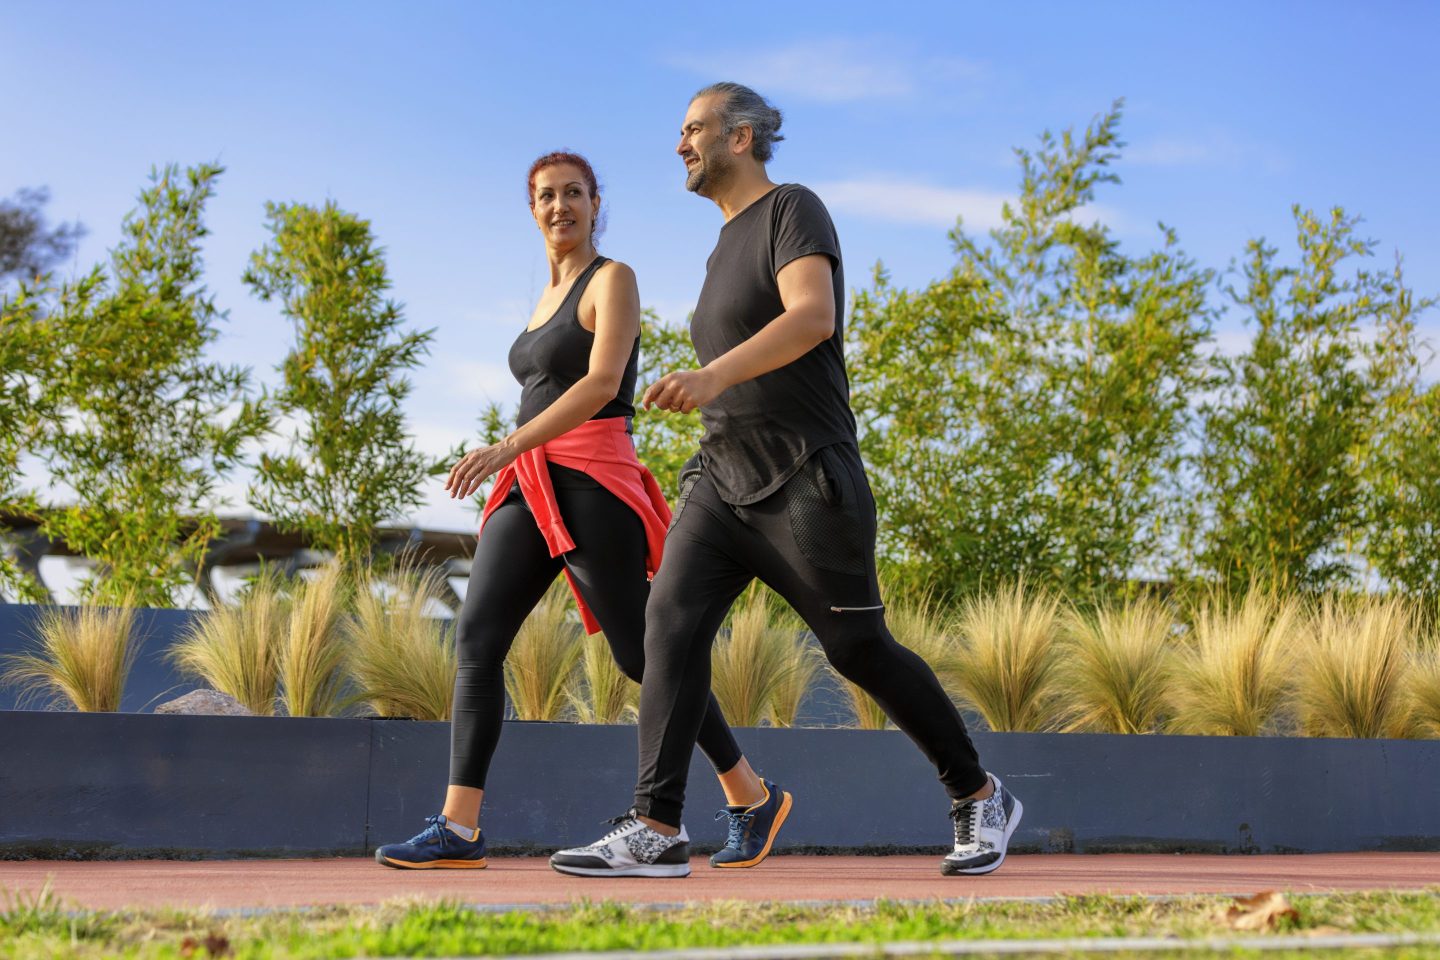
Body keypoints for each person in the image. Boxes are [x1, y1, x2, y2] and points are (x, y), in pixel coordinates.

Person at [550, 84, 1022, 880]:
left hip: (806, 479)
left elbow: (812, 316)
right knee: (666, 623)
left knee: (857, 648)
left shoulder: (791, 210)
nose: (679, 145)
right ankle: (657, 825)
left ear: (740, 136)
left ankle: (978, 793)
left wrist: (708, 376)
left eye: (692, 129)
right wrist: (708, 400)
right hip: (722, 481)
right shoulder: (720, 246)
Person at [374, 151, 785, 875]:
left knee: (640, 654)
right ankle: (459, 826)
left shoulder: (612, 280)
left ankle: (748, 794)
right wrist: (516, 458)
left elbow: (599, 384)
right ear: (530, 208)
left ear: (597, 203)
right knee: (477, 636)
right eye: (545, 196)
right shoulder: (542, 296)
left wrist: (506, 445)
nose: (559, 206)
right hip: (529, 485)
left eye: (573, 194)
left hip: (593, 477)